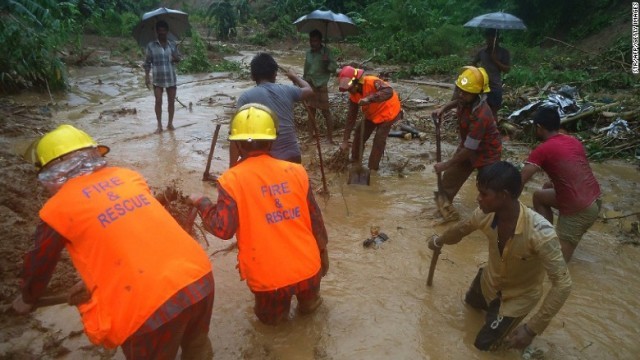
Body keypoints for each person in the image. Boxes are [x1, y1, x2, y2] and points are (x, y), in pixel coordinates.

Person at [12, 125, 214, 359]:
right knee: (197, 347)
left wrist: (27, 298)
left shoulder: (57, 209)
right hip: (200, 277)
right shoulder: (128, 177)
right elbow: (133, 233)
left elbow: (40, 263)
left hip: (149, 306)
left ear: (50, 173)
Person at [190, 104, 329, 326]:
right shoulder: (296, 171)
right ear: (272, 139)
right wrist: (323, 253)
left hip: (269, 279)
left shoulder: (231, 180)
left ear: (236, 143)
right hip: (309, 268)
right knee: (311, 311)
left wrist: (202, 202)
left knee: (272, 325)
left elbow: (223, 229)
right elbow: (315, 219)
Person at [429, 161, 572, 351]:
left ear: (504, 195)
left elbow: (563, 285)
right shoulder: (485, 214)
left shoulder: (541, 234)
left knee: (483, 347)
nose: (478, 199)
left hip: (516, 298)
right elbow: (461, 230)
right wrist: (439, 240)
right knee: (470, 307)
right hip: (488, 281)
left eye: (484, 194)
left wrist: (531, 330)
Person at [520, 106, 602, 262]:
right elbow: (576, 172)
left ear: (539, 128)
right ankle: (547, 236)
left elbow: (521, 179)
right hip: (595, 200)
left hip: (579, 210)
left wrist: (505, 208)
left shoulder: (543, 149)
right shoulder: (573, 141)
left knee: (556, 263)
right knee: (539, 196)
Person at [432, 66, 502, 220]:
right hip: (467, 148)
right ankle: (441, 212)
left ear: (477, 93)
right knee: (448, 181)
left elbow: (470, 149)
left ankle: (492, 221)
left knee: (487, 190)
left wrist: (445, 164)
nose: (460, 94)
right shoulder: (466, 98)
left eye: (465, 92)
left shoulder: (482, 115)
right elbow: (458, 102)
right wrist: (443, 108)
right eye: (460, 90)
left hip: (486, 155)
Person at [232, 52, 314, 167]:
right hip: (293, 157)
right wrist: (294, 77)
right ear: (275, 74)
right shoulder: (288, 90)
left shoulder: (246, 97)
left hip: (267, 161)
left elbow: (236, 136)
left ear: (252, 76)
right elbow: (309, 90)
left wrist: (232, 168)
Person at [337, 66, 402, 171]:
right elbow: (351, 117)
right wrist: (345, 140)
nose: (350, 92)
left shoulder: (372, 81)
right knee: (359, 134)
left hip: (388, 111)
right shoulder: (353, 94)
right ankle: (355, 162)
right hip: (372, 113)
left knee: (379, 140)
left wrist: (369, 99)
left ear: (356, 82)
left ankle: (373, 168)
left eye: (350, 89)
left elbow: (388, 91)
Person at [144, 20, 182, 133]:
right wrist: (147, 77)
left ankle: (170, 123)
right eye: (159, 32)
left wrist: (176, 57)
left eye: (164, 31)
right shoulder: (151, 46)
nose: (162, 34)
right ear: (157, 32)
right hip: (157, 79)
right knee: (158, 101)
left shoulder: (172, 44)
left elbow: (178, 59)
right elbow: (147, 62)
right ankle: (159, 125)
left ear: (167, 31)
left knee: (171, 101)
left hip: (170, 77)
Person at [303, 29, 338, 144]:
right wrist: (302, 82)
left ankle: (330, 138)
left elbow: (334, 69)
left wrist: (327, 62)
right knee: (310, 111)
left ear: (320, 41)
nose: (313, 43)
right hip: (310, 84)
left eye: (315, 41)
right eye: (311, 41)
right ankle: (310, 136)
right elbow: (306, 69)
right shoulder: (308, 53)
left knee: (326, 112)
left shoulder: (326, 52)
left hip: (321, 85)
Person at [472, 28, 511, 120]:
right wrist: (477, 73)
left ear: (497, 39)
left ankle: (493, 132)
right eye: (488, 38)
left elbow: (507, 69)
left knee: (493, 112)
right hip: (482, 86)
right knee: (480, 111)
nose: (490, 40)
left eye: (492, 38)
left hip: (495, 87)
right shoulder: (482, 52)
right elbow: (473, 63)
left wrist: (495, 60)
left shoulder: (504, 52)